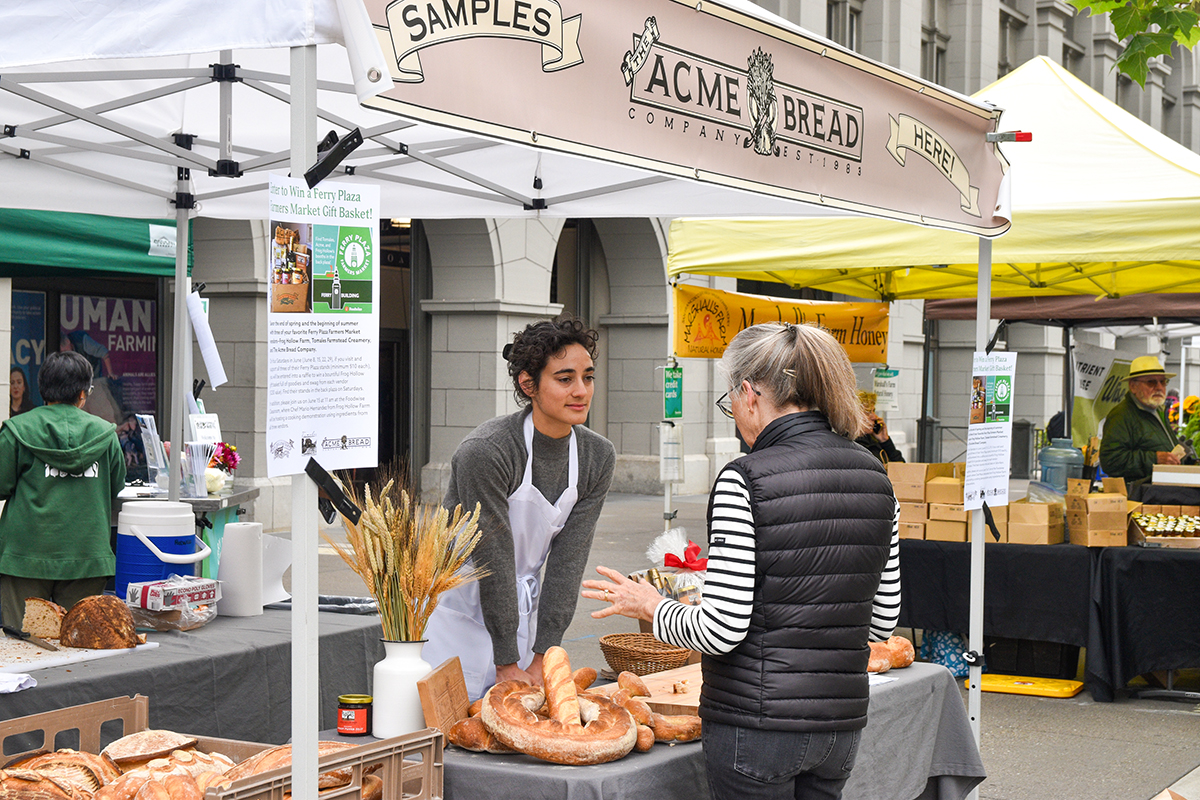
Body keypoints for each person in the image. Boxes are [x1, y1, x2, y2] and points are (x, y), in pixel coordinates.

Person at [584, 322, 899, 800]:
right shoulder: (876, 476)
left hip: (756, 724)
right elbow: (882, 624)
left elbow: (720, 630)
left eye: (729, 398)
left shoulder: (744, 478)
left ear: (749, 393)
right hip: (840, 726)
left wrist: (650, 605)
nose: (732, 412)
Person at [423, 317, 616, 700]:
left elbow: (567, 564)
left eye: (588, 377)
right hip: (455, 608)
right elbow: (491, 559)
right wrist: (507, 661)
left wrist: (544, 653)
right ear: (529, 385)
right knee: (443, 732)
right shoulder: (488, 451)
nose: (581, 391)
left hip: (517, 613)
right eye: (565, 379)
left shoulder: (597, 456)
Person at [0, 351, 126, 628]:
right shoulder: (106, 434)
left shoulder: (16, 431)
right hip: (88, 557)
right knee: (81, 648)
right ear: (83, 393)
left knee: (24, 649)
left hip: (25, 558)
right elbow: (116, 485)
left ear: (43, 388)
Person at [1099, 356, 1181, 484]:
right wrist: (1154, 459)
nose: (1159, 387)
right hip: (1140, 497)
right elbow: (1111, 461)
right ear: (1133, 386)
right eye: (1151, 382)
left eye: (1163, 382)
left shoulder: (1159, 411)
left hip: (1160, 493)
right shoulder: (1121, 416)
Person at [854, 391, 905, 464]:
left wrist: (885, 441)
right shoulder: (848, 444)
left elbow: (901, 468)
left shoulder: (873, 442)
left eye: (873, 411)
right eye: (868, 412)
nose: (874, 417)